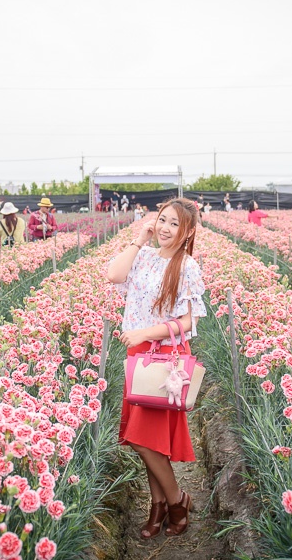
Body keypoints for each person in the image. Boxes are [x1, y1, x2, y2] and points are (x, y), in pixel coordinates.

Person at [107, 198, 205, 539]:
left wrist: (145, 333)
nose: (165, 228)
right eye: (162, 220)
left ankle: (176, 500)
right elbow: (113, 274)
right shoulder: (145, 256)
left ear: (188, 230)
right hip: (139, 354)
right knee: (148, 438)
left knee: (143, 439)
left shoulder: (187, 266)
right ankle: (159, 505)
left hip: (165, 357)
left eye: (174, 224)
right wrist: (139, 238)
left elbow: (188, 321)